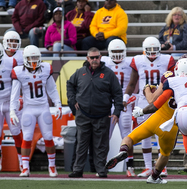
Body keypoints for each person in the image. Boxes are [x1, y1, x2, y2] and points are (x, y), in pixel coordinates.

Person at [122, 36, 175, 178]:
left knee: (160, 132)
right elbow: (132, 83)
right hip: (143, 100)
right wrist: (125, 98)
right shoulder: (138, 60)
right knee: (144, 134)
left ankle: (161, 167)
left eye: (154, 49)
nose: (152, 53)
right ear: (144, 50)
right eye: (149, 50)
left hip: (162, 99)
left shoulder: (167, 59)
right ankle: (147, 167)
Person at [67, 47, 123, 178]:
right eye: (92, 58)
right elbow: (70, 84)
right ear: (87, 58)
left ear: (100, 57)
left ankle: (101, 170)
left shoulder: (109, 74)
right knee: (81, 143)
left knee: (101, 145)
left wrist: (117, 112)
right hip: (83, 113)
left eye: (96, 57)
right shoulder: (80, 72)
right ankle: (77, 170)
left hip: (102, 114)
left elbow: (118, 93)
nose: (94, 60)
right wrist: (72, 100)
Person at [10, 45, 62, 177]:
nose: (33, 60)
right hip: (29, 109)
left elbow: (52, 89)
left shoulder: (45, 68)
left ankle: (51, 166)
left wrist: (58, 104)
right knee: (27, 137)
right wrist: (12, 111)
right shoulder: (18, 71)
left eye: (36, 57)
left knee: (48, 137)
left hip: (43, 108)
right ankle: (25, 168)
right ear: (25, 58)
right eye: (30, 57)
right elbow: (14, 94)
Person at [101, 39, 136, 177]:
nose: (117, 54)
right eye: (114, 51)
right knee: (105, 136)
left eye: (119, 51)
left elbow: (133, 84)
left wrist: (128, 99)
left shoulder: (130, 62)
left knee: (127, 136)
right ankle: (101, 166)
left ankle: (130, 166)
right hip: (108, 104)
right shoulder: (104, 61)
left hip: (124, 104)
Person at [0, 43, 23, 172]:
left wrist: (17, 98)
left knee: (16, 132)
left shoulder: (11, 62)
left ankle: (22, 161)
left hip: (9, 101)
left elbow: (17, 82)